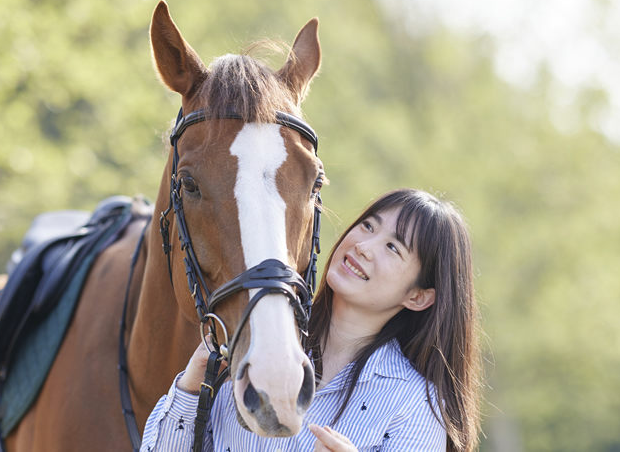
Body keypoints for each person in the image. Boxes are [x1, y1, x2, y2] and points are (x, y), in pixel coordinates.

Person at [140, 188, 482, 451]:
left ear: (418, 296)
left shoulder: (414, 404)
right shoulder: (255, 345)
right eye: (367, 226)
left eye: (394, 248)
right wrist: (190, 384)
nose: (363, 245)